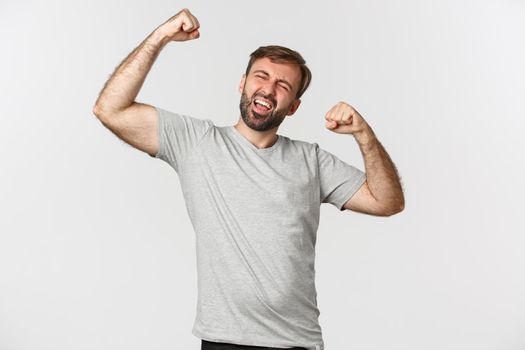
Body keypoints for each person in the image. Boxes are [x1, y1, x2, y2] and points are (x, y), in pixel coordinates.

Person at [93, 8, 405, 350]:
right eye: (261, 76)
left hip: (297, 341)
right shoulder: (196, 143)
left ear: (294, 106)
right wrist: (161, 36)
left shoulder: (311, 160)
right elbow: (110, 108)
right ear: (242, 83)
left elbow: (387, 201)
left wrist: (364, 134)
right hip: (225, 339)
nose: (268, 89)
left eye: (283, 85)